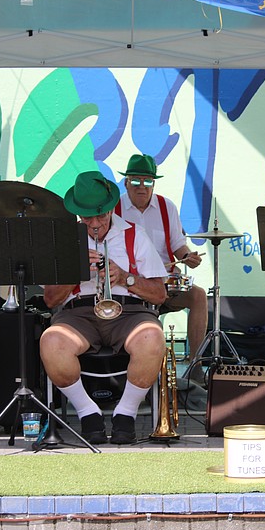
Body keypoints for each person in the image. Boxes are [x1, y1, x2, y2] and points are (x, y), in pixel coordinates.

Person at [40, 170, 169, 444]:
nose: (95, 224)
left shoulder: (136, 235)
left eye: (101, 215)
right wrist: (74, 271)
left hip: (129, 312)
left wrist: (125, 278)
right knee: (51, 341)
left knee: (152, 337)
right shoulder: (64, 240)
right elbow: (50, 300)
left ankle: (126, 413)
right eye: (87, 218)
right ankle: (88, 412)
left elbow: (160, 295)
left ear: (111, 208)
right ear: (78, 214)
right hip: (78, 313)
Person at [113, 154, 207, 378]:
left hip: (164, 285)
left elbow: (177, 245)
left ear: (153, 183)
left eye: (148, 181)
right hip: (130, 287)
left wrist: (188, 256)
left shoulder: (167, 207)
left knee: (199, 296)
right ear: (126, 182)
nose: (142, 187)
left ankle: (195, 366)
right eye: (135, 181)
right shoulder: (114, 209)